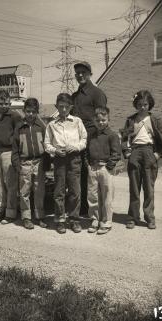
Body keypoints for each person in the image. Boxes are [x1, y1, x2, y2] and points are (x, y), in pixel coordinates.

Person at [121, 90, 162, 229]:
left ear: (149, 105)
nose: (142, 107)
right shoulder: (131, 119)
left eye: (145, 104)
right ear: (136, 104)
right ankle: (132, 217)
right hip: (135, 152)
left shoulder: (155, 119)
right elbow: (124, 138)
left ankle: (149, 218)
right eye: (139, 104)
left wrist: (158, 154)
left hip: (150, 152)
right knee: (134, 188)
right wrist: (127, 152)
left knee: (149, 188)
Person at [44, 93, 87, 234]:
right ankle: (60, 220)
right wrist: (55, 151)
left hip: (74, 158)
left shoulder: (77, 122)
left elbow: (84, 140)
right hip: (59, 159)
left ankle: (74, 219)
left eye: (66, 107)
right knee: (59, 191)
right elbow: (46, 143)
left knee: (75, 191)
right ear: (56, 107)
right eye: (60, 107)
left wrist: (76, 147)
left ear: (71, 107)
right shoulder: (51, 124)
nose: (63, 110)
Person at [72, 61, 107, 217]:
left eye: (83, 72)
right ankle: (82, 207)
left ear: (90, 74)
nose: (80, 75)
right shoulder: (74, 96)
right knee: (79, 172)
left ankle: (98, 209)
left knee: (94, 174)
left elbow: (102, 119)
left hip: (93, 139)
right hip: (77, 140)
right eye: (77, 72)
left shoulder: (97, 93)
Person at [11, 98, 48, 230]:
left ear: (37, 112)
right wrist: (17, 164)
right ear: (24, 111)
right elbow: (14, 149)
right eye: (28, 111)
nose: (30, 114)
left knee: (39, 190)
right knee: (24, 191)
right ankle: (26, 217)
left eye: (33, 111)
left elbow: (47, 145)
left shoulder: (41, 127)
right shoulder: (19, 128)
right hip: (24, 163)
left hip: (39, 162)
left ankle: (40, 216)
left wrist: (47, 164)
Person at [86, 107, 121, 235]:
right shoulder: (91, 136)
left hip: (105, 168)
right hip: (92, 168)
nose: (100, 122)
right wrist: (88, 165)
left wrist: (108, 167)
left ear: (108, 119)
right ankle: (95, 220)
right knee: (93, 195)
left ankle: (106, 222)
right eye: (98, 120)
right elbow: (86, 152)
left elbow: (116, 153)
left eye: (103, 120)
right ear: (94, 121)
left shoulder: (112, 135)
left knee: (107, 196)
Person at [0, 90, 21, 224]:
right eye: (1, 103)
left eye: (7, 103)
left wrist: (15, 152)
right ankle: (0, 209)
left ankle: (11, 212)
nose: (4, 106)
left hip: (9, 152)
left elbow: (17, 135)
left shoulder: (14, 116)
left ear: (10, 103)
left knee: (10, 183)